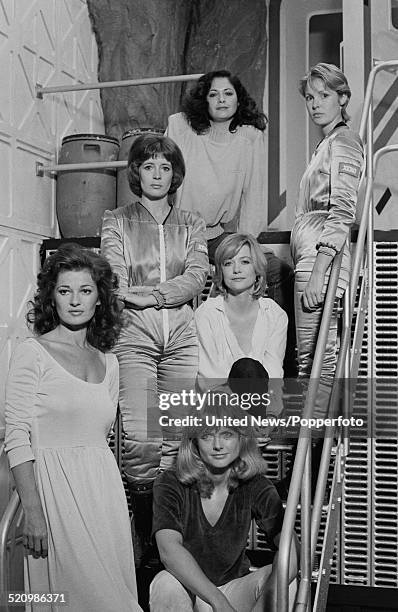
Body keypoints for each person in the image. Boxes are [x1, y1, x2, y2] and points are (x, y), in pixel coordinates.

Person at [4, 243, 142, 612]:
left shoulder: (109, 363)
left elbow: (103, 439)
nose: (75, 301)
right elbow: (16, 436)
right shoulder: (31, 353)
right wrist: (33, 510)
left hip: (104, 498)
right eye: (65, 291)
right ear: (52, 297)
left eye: (85, 290)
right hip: (53, 498)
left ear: (100, 297)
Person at [101, 133, 208, 564]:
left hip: (181, 337)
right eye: (149, 166)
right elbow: (111, 272)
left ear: (175, 174)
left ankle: (171, 538)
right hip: (135, 336)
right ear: (136, 172)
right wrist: (141, 299)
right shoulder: (116, 219)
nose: (158, 175)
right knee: (142, 439)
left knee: (177, 440)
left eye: (165, 167)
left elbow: (198, 275)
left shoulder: (193, 223)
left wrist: (154, 295)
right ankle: (146, 543)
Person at [166, 70, 297, 376]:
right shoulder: (182, 128)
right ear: (204, 100)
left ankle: (273, 371)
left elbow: (253, 195)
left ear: (239, 99)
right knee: (187, 291)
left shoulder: (249, 137)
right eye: (213, 94)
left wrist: (245, 252)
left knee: (277, 270)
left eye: (228, 94)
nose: (221, 100)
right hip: (181, 234)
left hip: (217, 236)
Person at [149, 400, 298, 612]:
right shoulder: (170, 482)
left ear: (241, 439)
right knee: (165, 583)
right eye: (207, 435)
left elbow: (291, 551)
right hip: (190, 590)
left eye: (227, 434)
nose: (217, 445)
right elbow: (168, 550)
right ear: (194, 442)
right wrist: (218, 601)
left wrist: (266, 599)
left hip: (234, 590)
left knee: (286, 582)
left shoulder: (255, 484)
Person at [291, 63, 364, 417]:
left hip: (322, 259)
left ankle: (318, 455)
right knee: (310, 362)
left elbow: (342, 211)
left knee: (319, 360)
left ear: (343, 98)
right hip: (310, 255)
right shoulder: (327, 143)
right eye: (310, 96)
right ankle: (313, 455)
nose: (316, 103)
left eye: (324, 95)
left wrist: (320, 271)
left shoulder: (345, 141)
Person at [195, 233, 287, 419]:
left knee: (250, 370)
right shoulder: (206, 314)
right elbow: (209, 382)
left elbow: (274, 376)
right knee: (245, 369)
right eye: (228, 263)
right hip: (217, 414)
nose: (236, 269)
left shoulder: (274, 315)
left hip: (256, 414)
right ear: (220, 271)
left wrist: (270, 417)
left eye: (245, 262)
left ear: (257, 269)